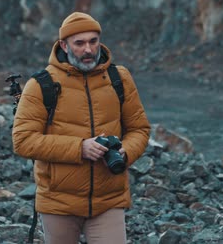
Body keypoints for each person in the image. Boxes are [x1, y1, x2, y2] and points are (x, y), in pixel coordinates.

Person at [12, 12, 151, 244]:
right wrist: (80, 148)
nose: (88, 49)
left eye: (93, 41)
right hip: (58, 202)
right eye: (79, 43)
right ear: (64, 46)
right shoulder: (41, 85)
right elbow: (23, 140)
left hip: (109, 199)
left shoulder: (119, 78)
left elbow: (139, 129)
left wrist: (126, 151)